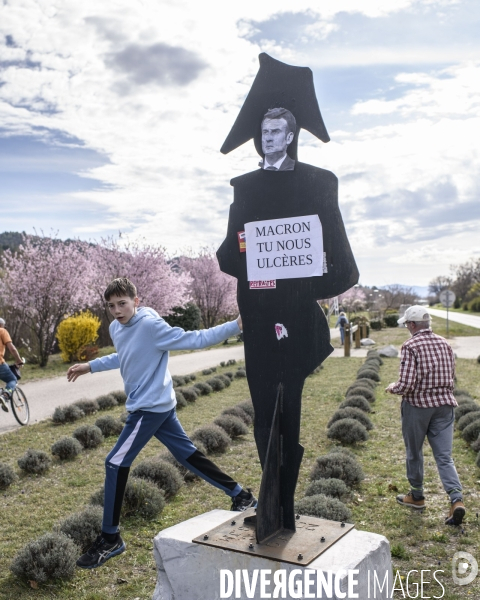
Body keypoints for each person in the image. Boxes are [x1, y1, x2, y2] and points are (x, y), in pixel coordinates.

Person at [67, 277, 257, 569]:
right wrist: (90, 366)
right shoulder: (117, 328)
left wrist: (235, 325)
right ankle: (241, 496)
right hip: (158, 406)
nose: (117, 310)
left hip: (149, 409)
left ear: (136, 301)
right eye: (112, 305)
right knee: (188, 454)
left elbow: (195, 339)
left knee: (115, 463)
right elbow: (125, 356)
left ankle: (110, 538)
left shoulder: (151, 326)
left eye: (123, 303)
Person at [385, 305, 465, 526]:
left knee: (414, 452)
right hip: (445, 406)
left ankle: (417, 496)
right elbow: (452, 375)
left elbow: (407, 384)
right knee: (444, 457)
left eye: (406, 325)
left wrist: (393, 387)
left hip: (418, 407)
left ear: (412, 324)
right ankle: (456, 499)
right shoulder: (445, 343)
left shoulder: (411, 346)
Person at [0, 317, 24, 412]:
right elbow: (12, 348)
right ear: (2, 325)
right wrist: (19, 360)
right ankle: (5, 396)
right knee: (12, 379)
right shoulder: (2, 331)